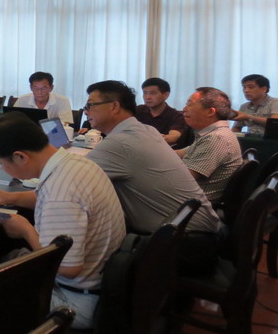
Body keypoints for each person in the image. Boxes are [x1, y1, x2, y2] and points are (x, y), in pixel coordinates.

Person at [0, 112, 125, 330]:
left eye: (0, 163)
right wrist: (9, 198)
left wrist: (25, 229)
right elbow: (47, 197)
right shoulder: (74, 163)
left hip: (75, 300)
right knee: (6, 257)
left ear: (20, 157)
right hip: (102, 282)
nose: (2, 169)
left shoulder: (61, 193)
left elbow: (67, 267)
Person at [82, 80, 220, 276]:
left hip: (182, 246)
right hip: (197, 237)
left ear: (114, 106)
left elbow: (68, 180)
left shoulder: (121, 142)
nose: (86, 111)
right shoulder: (147, 130)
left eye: (90, 105)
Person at [175, 87, 242, 204]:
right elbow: (183, 152)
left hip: (193, 205)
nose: (184, 109)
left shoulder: (216, 138)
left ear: (210, 112)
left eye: (189, 105)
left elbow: (184, 179)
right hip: (188, 199)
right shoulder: (212, 133)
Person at [134, 77, 189, 147]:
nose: (147, 97)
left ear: (165, 95)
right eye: (145, 93)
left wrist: (158, 139)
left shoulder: (176, 116)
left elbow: (173, 137)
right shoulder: (138, 110)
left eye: (152, 93)